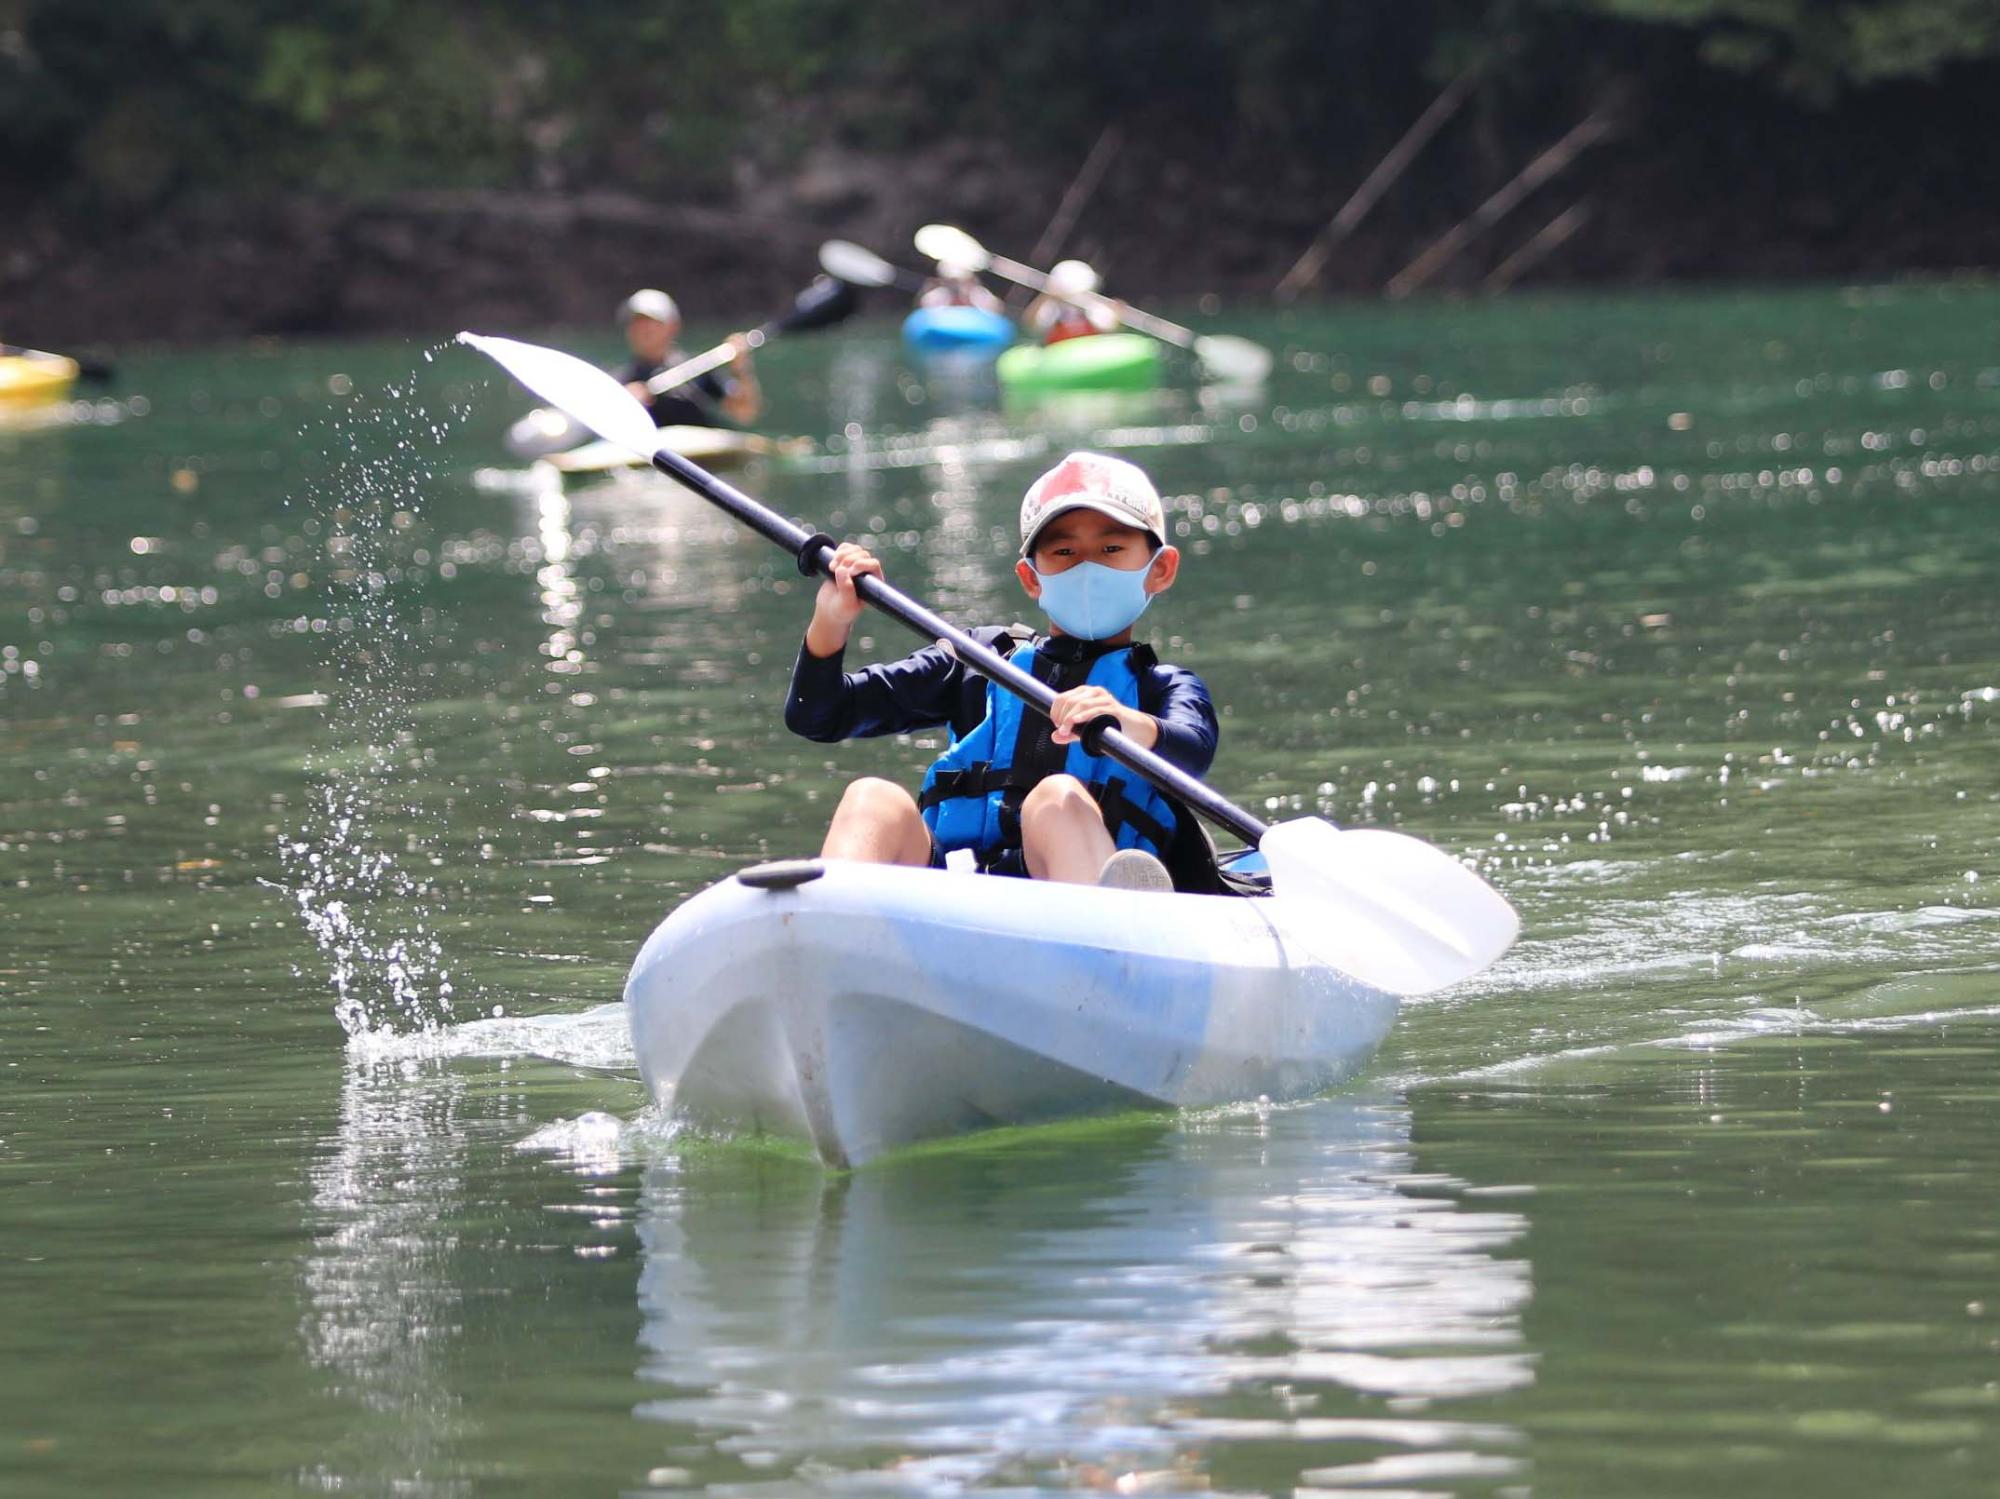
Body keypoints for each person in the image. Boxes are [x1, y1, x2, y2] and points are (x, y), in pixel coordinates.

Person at [784, 452, 1215, 892]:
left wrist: (1124, 722)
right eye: (1064, 551)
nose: (1088, 567)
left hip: (1078, 904)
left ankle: (1116, 932)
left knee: (1056, 797)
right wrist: (832, 620)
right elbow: (817, 714)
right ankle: (831, 923)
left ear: (1159, 569)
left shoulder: (1162, 688)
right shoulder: (978, 660)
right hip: (958, 895)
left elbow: (1193, 753)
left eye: (1111, 549)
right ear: (1031, 578)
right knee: (871, 798)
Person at [615, 289, 762, 428]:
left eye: (651, 322)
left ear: (673, 326)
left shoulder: (699, 370)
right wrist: (623, 405)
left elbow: (744, 413)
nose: (643, 329)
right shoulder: (620, 382)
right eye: (636, 322)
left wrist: (741, 370)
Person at [1021, 259, 1122, 346]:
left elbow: (1110, 327)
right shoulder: (1052, 309)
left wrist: (1116, 315)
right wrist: (1046, 296)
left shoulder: (1092, 308)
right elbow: (1030, 324)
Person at [917, 261, 1007, 316]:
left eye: (961, 281)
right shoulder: (936, 297)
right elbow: (925, 320)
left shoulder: (979, 296)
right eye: (951, 281)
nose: (956, 286)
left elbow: (996, 316)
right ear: (943, 281)